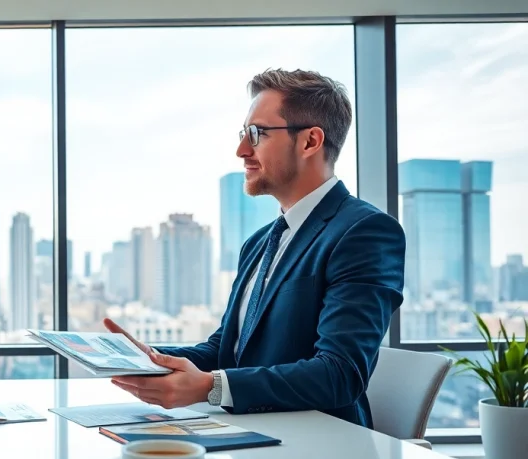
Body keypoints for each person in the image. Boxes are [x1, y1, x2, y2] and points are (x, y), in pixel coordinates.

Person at [106, 69, 405, 428]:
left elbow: (340, 374)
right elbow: (226, 350)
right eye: (243, 134)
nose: (241, 150)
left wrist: (210, 387)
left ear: (310, 141)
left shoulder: (365, 232)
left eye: (257, 134)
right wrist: (147, 358)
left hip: (321, 447)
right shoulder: (259, 242)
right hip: (252, 438)